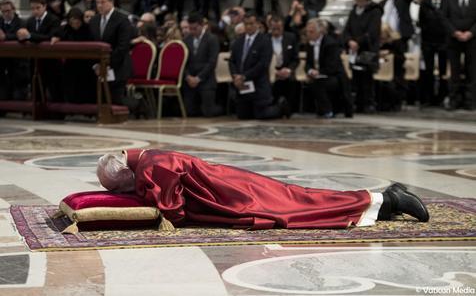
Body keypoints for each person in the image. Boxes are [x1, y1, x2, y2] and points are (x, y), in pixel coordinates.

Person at [96, 149, 430, 231]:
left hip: (237, 197)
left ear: (125, 172)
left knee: (300, 208)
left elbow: (172, 212)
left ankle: (388, 198)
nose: (124, 192)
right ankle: (383, 204)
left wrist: (141, 202)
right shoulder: (149, 158)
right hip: (233, 186)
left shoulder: (153, 168)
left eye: (120, 187)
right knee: (302, 199)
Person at [228, 12, 291, 119]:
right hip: (242, 86)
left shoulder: (265, 41)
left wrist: (245, 76)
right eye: (246, 24)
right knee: (243, 116)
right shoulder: (238, 41)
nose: (248, 27)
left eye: (251, 24)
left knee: (262, 115)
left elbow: (263, 64)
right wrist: (235, 76)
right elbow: (232, 61)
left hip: (258, 85)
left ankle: (281, 107)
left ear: (258, 24)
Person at [343, 0, 383, 114]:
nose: (359, 3)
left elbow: (372, 32)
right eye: (357, 0)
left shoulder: (374, 12)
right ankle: (357, 103)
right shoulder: (353, 12)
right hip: (354, 49)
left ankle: (368, 103)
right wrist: (349, 40)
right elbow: (347, 29)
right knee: (356, 76)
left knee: (367, 77)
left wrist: (358, 42)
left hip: (367, 49)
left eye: (362, 1)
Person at [89, 0, 132, 105]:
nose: (99, 5)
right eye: (97, 2)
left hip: (118, 67)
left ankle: (138, 105)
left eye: (103, 2)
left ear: (111, 2)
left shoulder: (122, 20)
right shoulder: (94, 21)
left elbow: (122, 48)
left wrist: (106, 64)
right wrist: (96, 65)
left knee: (116, 102)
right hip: (98, 69)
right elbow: (91, 45)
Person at [17, 0, 62, 102]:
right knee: (36, 87)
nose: (35, 11)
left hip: (51, 61)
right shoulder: (30, 21)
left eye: (38, 8)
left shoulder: (53, 20)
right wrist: (21, 36)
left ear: (44, 6)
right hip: (34, 60)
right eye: (32, 8)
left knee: (53, 88)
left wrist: (29, 36)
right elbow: (24, 36)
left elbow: (49, 37)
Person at [379, 0, 417, 109]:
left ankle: (397, 100)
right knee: (383, 69)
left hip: (399, 41)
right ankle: (384, 99)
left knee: (398, 71)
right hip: (384, 42)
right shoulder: (383, 3)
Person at [305, 18, 353, 118]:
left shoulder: (330, 43)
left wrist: (318, 73)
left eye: (311, 32)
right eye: (307, 31)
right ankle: (322, 109)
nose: (309, 34)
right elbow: (308, 63)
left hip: (334, 76)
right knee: (314, 82)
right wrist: (310, 71)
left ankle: (328, 110)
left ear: (319, 32)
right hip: (319, 75)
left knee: (319, 83)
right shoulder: (310, 44)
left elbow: (332, 66)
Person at [51, 8, 96, 104]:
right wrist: (57, 37)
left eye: (77, 22)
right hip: (70, 63)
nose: (75, 25)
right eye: (72, 22)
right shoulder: (65, 29)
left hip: (86, 64)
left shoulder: (88, 29)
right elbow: (57, 34)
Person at [182, 12, 223, 117]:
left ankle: (221, 108)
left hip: (206, 79)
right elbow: (183, 61)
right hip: (190, 79)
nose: (192, 31)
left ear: (201, 25)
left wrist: (199, 78)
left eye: (194, 28)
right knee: (189, 111)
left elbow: (212, 62)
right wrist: (188, 76)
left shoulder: (212, 39)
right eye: (190, 28)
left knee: (208, 112)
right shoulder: (186, 40)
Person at [444, 0, 476, 110]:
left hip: (472, 40)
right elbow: (444, 17)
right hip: (453, 40)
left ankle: (470, 101)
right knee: (454, 71)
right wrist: (454, 32)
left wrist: (471, 33)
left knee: (472, 71)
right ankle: (454, 100)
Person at [419, 0, 449, 107]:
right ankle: (429, 98)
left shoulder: (447, 1)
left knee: (443, 71)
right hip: (428, 41)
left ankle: (442, 97)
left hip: (443, 41)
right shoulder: (425, 3)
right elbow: (421, 20)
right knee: (428, 71)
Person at [267, 15, 300, 112]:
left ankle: (289, 109)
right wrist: (274, 72)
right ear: (269, 27)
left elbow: (295, 59)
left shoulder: (291, 38)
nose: (276, 31)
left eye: (279, 28)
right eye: (274, 28)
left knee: (292, 82)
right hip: (270, 71)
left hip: (287, 71)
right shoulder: (264, 39)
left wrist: (288, 70)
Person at [0, 0, 30, 101]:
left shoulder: (21, 22)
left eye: (8, 11)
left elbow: (19, 36)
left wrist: (5, 37)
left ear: (13, 9)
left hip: (18, 66)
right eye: (3, 11)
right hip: (3, 65)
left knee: (18, 97)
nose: (6, 14)